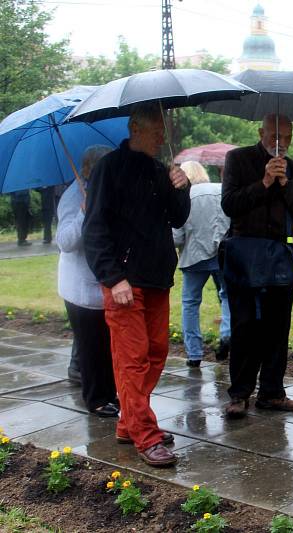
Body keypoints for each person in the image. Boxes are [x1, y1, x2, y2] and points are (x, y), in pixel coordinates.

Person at [82, 102, 190, 467]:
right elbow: (94, 229)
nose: (164, 135)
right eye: (157, 129)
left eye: (163, 129)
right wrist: (113, 278)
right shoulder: (108, 170)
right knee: (132, 360)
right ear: (135, 128)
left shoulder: (160, 170)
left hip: (157, 278)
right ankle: (146, 436)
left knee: (155, 354)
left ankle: (129, 422)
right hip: (125, 282)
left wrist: (182, 188)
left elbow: (177, 218)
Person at [221, 113, 293, 418]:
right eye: (275, 136)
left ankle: (272, 391)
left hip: (280, 259)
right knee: (244, 325)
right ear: (261, 132)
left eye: (286, 137)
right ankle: (239, 393)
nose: (281, 144)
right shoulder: (238, 159)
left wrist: (284, 183)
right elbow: (230, 205)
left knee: (277, 327)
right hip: (244, 257)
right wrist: (263, 182)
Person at [56, 145, 118, 417]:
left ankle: (110, 393)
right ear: (88, 169)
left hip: (103, 281)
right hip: (80, 287)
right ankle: (96, 399)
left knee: (107, 345)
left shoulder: (106, 189)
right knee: (91, 347)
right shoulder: (73, 195)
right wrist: (83, 211)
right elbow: (65, 241)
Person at [172, 161, 231, 368]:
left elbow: (177, 236)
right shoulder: (222, 190)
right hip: (224, 254)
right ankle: (227, 334)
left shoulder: (184, 197)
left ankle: (194, 353)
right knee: (227, 295)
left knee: (190, 303)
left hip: (194, 257)